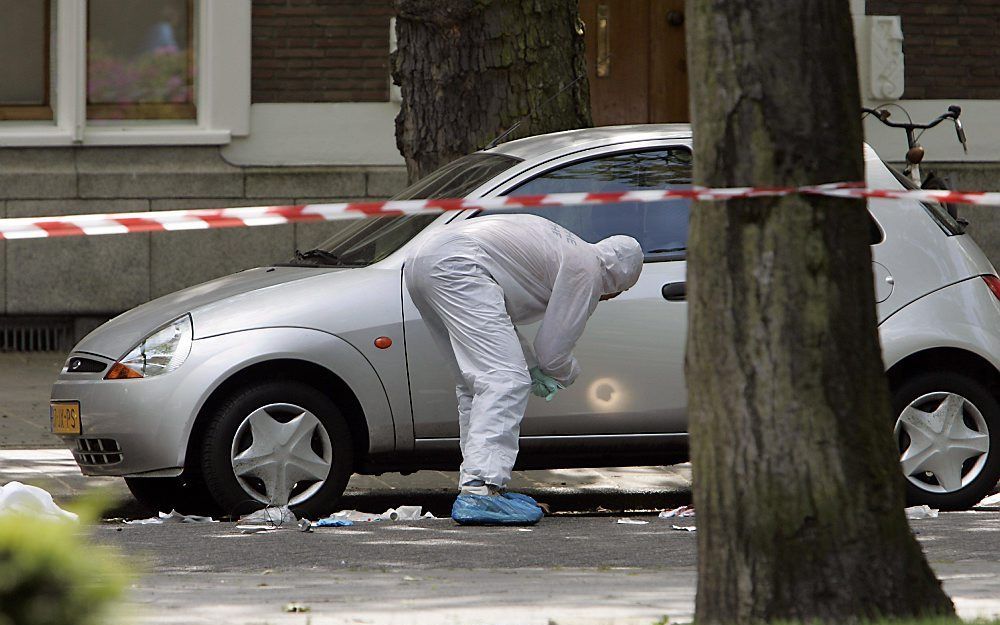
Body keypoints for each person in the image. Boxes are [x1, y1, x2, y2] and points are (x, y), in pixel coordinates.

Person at [404, 213, 644, 525]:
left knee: (473, 383)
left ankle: (480, 484)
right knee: (505, 380)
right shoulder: (588, 268)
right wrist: (566, 374)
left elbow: (499, 322)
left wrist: (531, 367)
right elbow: (553, 351)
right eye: (619, 291)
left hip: (423, 259)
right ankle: (481, 490)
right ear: (620, 280)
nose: (610, 297)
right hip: (458, 265)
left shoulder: (565, 246)